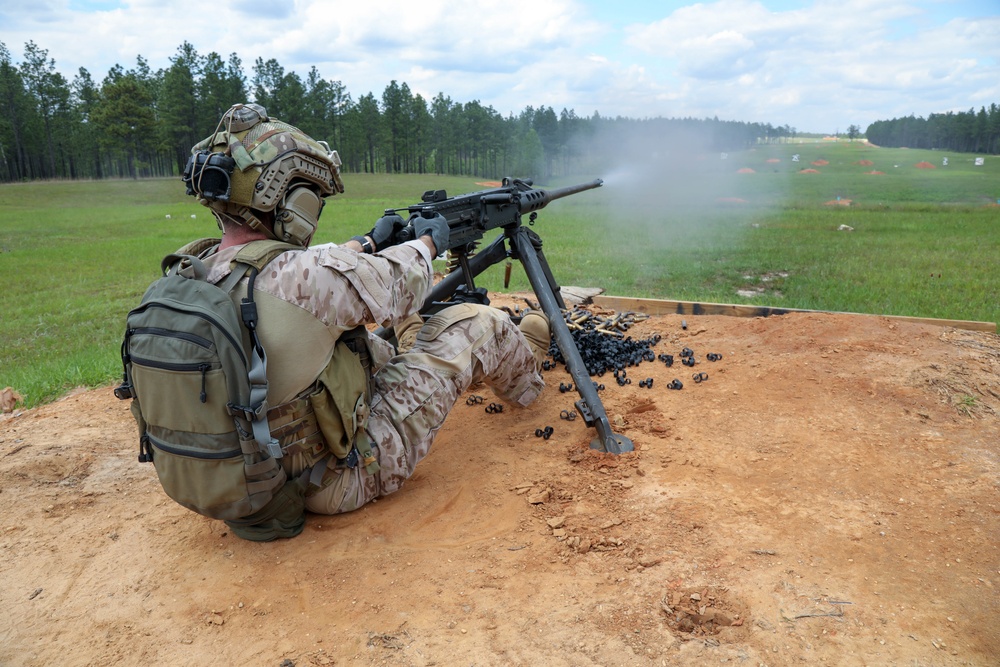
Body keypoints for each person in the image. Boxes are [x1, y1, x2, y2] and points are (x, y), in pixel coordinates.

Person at [178, 103, 551, 539]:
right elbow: (399, 283)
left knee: (367, 347)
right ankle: (529, 378)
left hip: (244, 477)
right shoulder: (303, 279)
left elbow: (300, 269)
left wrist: (368, 241)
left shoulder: (195, 267)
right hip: (335, 478)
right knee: (478, 324)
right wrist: (429, 242)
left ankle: (418, 347)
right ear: (288, 198)